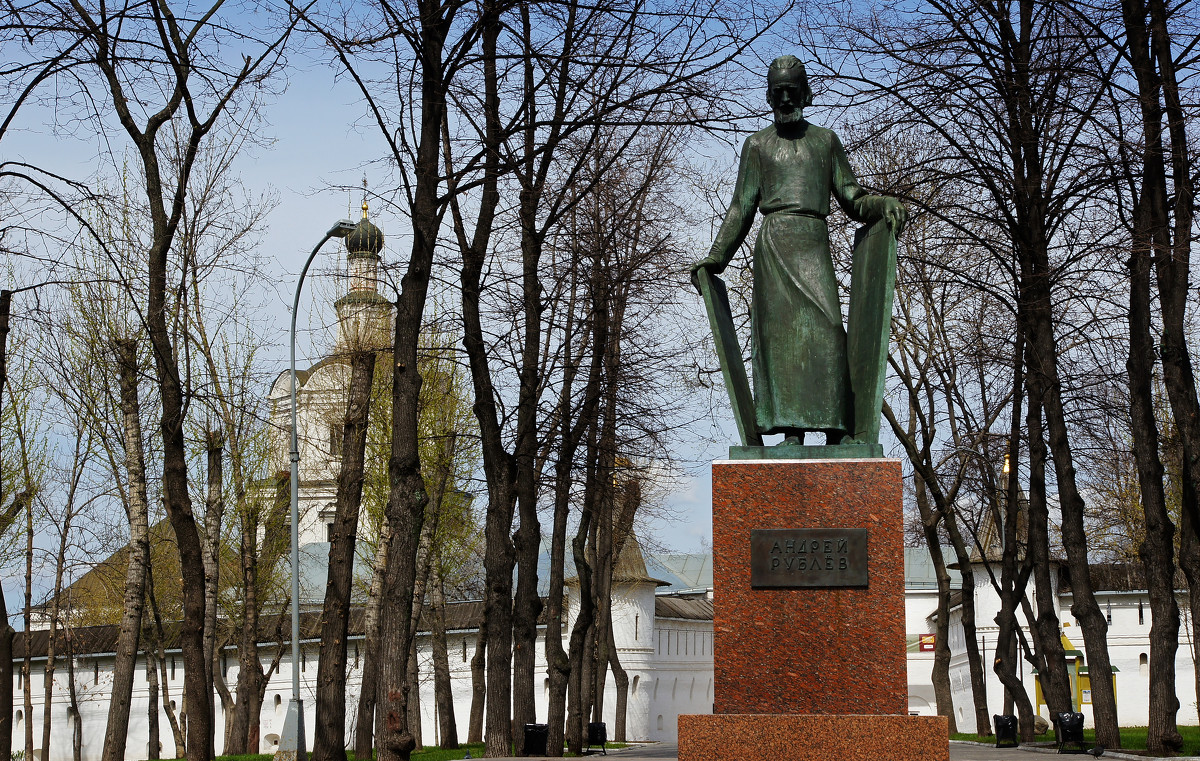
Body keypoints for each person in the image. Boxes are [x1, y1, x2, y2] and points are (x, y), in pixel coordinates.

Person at [691, 55, 907, 444]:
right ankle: (790, 430)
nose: (786, 100)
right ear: (769, 97)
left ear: (806, 94)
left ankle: (834, 427)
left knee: (827, 332)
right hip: (774, 245)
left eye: (792, 92)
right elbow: (742, 205)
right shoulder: (756, 145)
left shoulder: (825, 141)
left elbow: (853, 198)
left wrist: (883, 203)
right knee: (778, 340)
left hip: (812, 239)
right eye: (778, 94)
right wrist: (717, 255)